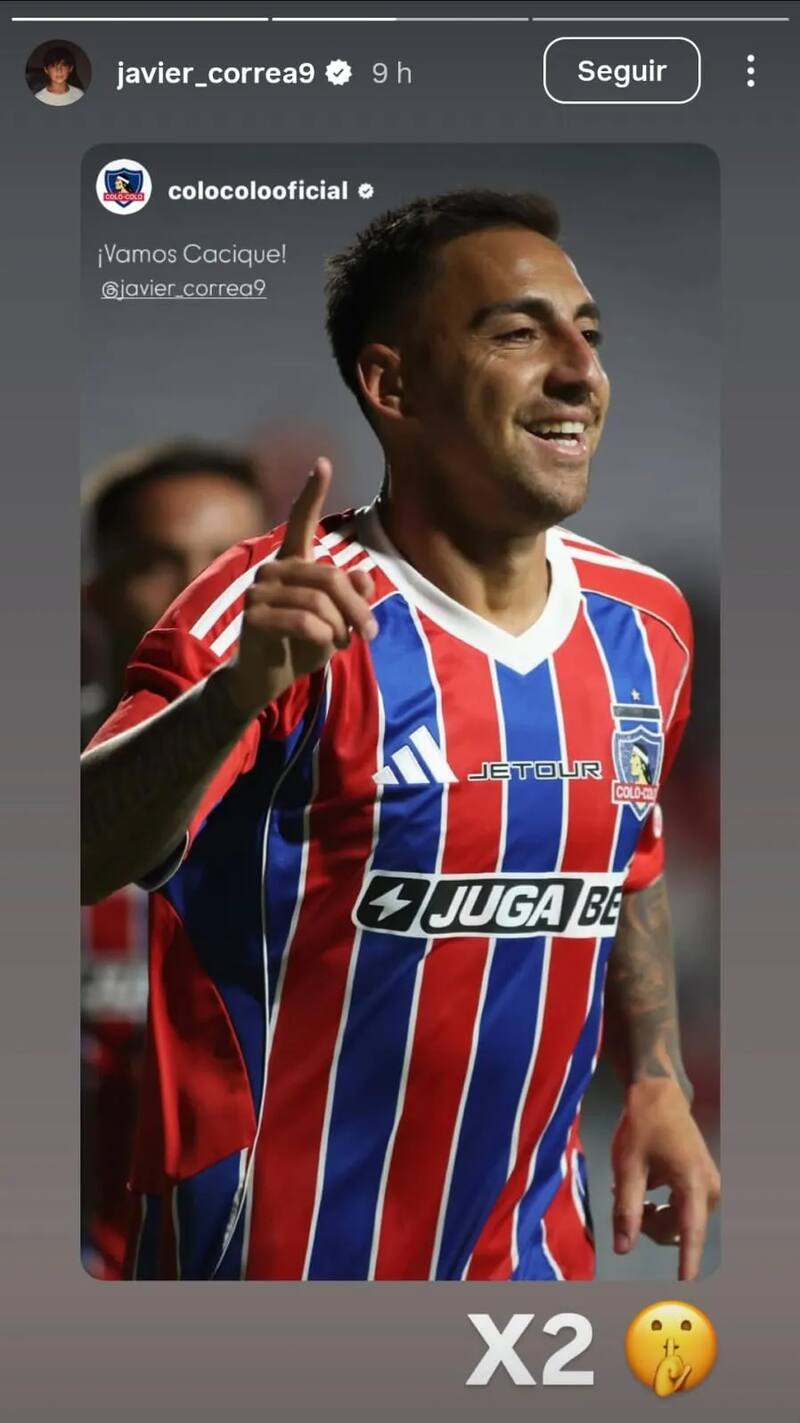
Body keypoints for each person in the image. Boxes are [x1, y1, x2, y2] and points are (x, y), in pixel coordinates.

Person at [81, 190, 720, 1282]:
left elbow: (631, 863)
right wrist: (232, 699)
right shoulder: (270, 606)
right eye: (518, 333)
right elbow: (80, 849)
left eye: (589, 333)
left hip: (526, 1274)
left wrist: (657, 1077)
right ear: (392, 385)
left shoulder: (646, 623)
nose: (580, 369)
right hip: (267, 1278)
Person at [81, 441, 267, 1278]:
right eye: (161, 563)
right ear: (96, 595)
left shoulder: (343, 791)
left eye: (230, 565)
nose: (200, 595)